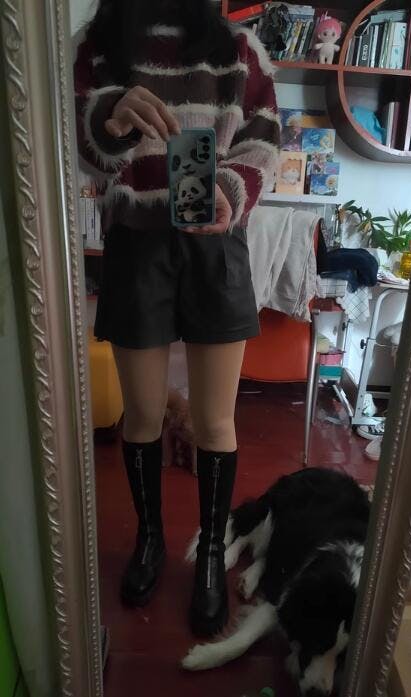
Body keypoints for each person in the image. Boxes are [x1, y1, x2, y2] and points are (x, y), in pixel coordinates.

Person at [74, 0, 279, 637]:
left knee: (216, 420)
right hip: (135, 241)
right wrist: (110, 120)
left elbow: (264, 138)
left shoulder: (238, 48)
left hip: (216, 240)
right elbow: (79, 150)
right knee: (142, 415)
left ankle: (212, 551)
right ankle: (150, 539)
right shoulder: (97, 44)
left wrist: (234, 188)